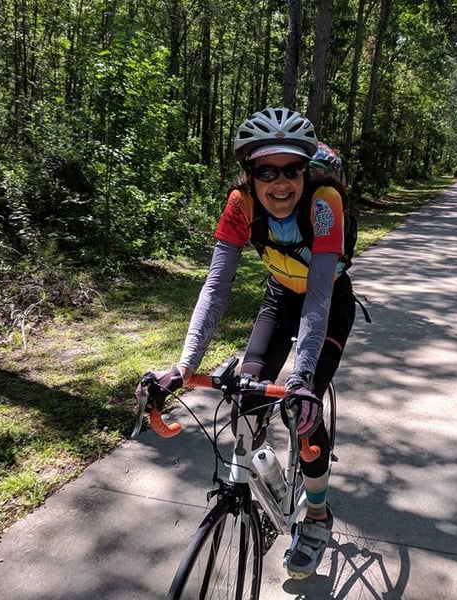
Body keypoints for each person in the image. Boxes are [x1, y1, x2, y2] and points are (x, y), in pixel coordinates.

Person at [138, 107, 356, 579]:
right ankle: (258, 488)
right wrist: (183, 366)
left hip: (329, 301)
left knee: (303, 408)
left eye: (292, 169)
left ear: (305, 168)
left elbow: (319, 294)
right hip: (279, 298)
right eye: (266, 171)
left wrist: (301, 378)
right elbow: (216, 288)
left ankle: (316, 514)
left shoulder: (324, 203)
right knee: (246, 393)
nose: (281, 182)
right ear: (250, 173)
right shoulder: (239, 205)